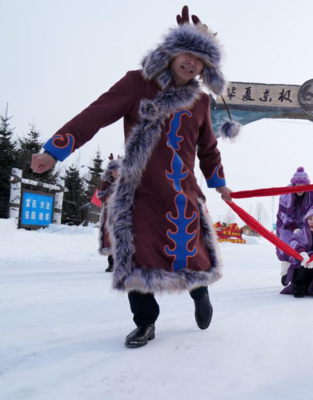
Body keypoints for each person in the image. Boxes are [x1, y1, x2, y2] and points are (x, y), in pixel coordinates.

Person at [30, 6, 239, 348]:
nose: (191, 63)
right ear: (171, 51)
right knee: (135, 256)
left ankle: (199, 292)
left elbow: (208, 148)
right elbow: (93, 116)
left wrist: (219, 184)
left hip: (180, 190)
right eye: (187, 52)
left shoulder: (201, 102)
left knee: (190, 251)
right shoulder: (136, 83)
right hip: (139, 190)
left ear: (206, 67)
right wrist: (54, 150)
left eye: (200, 60)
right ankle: (145, 322)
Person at [275, 167, 313, 285]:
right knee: (286, 246)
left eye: (303, 185)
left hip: (304, 225)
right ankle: (285, 273)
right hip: (286, 225)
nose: (300, 188)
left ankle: (299, 277)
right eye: (298, 184)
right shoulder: (285, 194)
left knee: (304, 249)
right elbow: (283, 214)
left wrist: (309, 226)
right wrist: (294, 228)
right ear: (294, 183)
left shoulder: (311, 194)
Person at [281, 206, 313, 299]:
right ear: (306, 220)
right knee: (300, 263)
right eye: (310, 218)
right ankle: (299, 285)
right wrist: (302, 253)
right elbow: (294, 241)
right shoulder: (300, 233)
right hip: (302, 260)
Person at [97, 154, 121, 273]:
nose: (116, 173)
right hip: (109, 214)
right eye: (113, 170)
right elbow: (101, 196)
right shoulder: (106, 183)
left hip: (123, 214)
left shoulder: (127, 181)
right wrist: (109, 198)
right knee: (110, 238)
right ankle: (111, 263)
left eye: (118, 170)